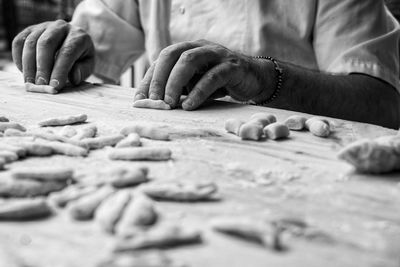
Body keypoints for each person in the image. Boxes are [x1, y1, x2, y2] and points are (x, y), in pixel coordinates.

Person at [11, 0, 400, 129]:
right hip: (173, 153)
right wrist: (67, 47)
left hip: (301, 163)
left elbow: (382, 101)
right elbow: (91, 49)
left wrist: (265, 78)